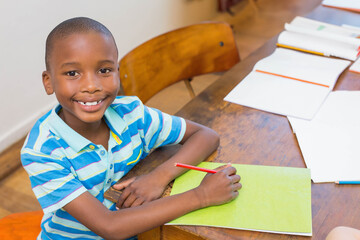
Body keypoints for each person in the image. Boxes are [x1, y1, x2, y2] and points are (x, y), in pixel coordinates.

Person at [21, 17, 242, 240]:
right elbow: (110, 227)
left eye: (104, 70)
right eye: (72, 73)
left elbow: (206, 135)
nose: (91, 86)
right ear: (48, 82)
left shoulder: (131, 114)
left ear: (117, 72)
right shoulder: (42, 150)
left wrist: (159, 177)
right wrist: (201, 196)